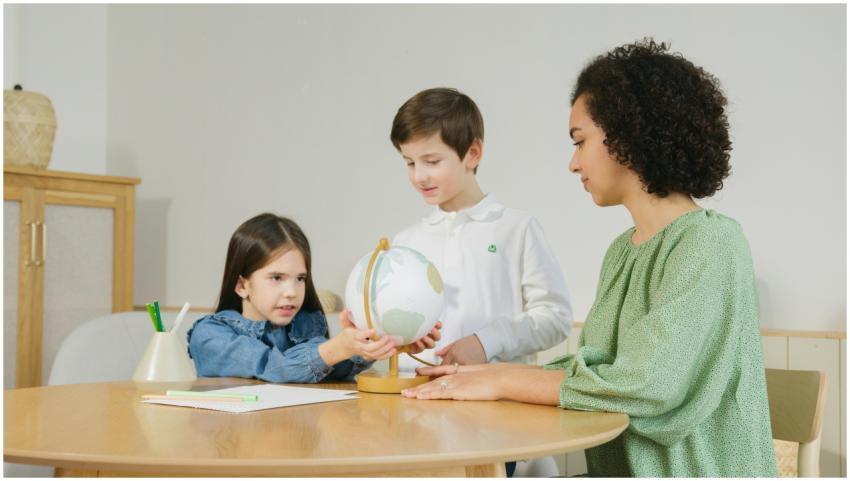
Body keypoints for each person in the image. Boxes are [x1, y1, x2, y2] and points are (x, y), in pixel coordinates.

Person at [402, 39, 778, 477]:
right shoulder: (623, 251)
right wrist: (487, 373)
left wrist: (501, 379)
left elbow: (647, 385)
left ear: (629, 137)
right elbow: (598, 366)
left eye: (580, 142)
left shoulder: (711, 243)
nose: (573, 163)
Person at [389, 87, 573, 374]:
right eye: (409, 163)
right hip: (413, 398)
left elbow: (555, 318)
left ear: (472, 154)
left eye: (432, 161)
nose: (418, 176)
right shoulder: (406, 242)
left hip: (492, 401)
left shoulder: (517, 228)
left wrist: (486, 342)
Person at [187, 212, 398, 383]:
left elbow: (333, 373)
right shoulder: (210, 335)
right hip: (236, 434)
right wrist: (338, 347)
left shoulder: (306, 321)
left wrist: (365, 348)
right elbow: (270, 366)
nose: (292, 292)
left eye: (300, 278)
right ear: (242, 285)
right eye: (277, 278)